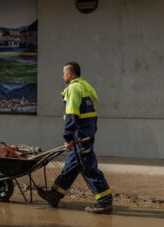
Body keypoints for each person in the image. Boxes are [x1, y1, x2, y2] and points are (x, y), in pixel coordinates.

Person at [38, 62, 113, 214]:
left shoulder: (73, 89)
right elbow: (93, 116)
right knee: (71, 167)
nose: (63, 76)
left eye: (64, 73)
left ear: (71, 74)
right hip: (85, 135)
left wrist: (68, 138)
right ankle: (54, 195)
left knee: (89, 169)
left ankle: (105, 202)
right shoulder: (85, 87)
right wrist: (90, 132)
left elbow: (71, 116)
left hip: (80, 137)